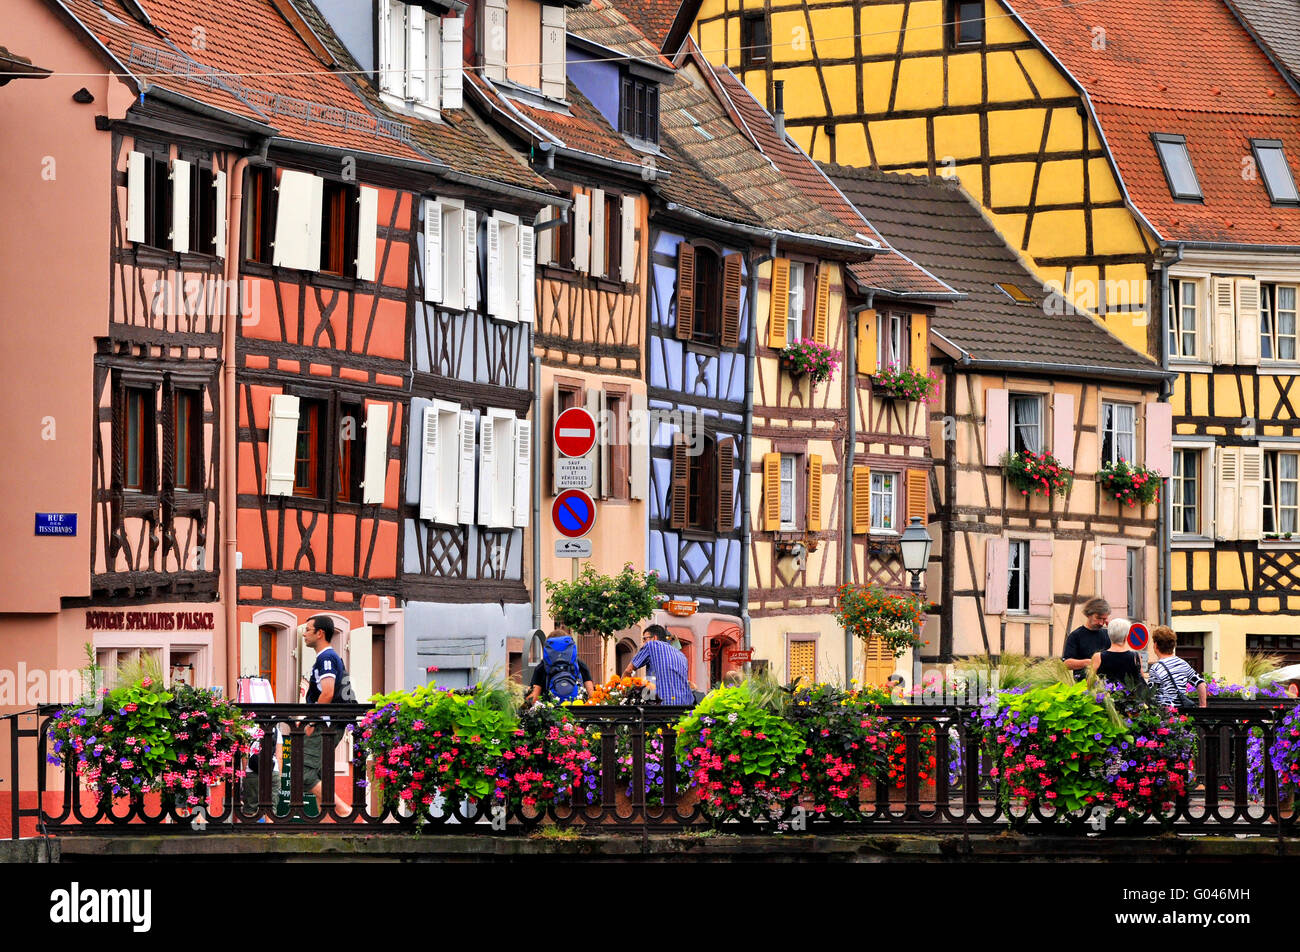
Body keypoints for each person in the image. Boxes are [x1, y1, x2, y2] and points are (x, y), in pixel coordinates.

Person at [301, 615, 348, 805]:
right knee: (318, 773)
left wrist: (312, 720)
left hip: (325, 724)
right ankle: (328, 822)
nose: (304, 634)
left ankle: (344, 811)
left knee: (302, 772)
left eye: (307, 630)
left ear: (320, 633)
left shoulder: (326, 657)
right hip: (330, 723)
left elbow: (327, 692)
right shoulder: (329, 657)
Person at [624, 624, 693, 706]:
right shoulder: (681, 654)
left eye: (644, 639)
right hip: (684, 704)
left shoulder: (651, 645)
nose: (644, 643)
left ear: (654, 638)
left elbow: (629, 670)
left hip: (661, 706)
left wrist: (622, 691)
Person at [526, 632, 595, 703]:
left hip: (552, 711)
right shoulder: (579, 664)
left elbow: (533, 698)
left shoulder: (541, 667)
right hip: (576, 710)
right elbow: (591, 695)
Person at [1148, 625, 1207, 708]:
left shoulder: (1156, 668)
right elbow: (1200, 683)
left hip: (1165, 715)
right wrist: (1203, 706)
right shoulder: (1183, 664)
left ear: (1155, 645)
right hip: (1182, 714)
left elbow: (1151, 695)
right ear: (1173, 645)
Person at [1063, 597, 1111, 681]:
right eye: (1098, 618)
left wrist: (1112, 631)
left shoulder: (1108, 634)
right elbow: (1067, 663)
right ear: (1089, 614)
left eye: (1104, 619)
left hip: (1106, 685)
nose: (1101, 623)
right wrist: (1089, 662)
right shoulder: (1075, 636)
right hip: (1083, 685)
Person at [1090, 617, 1144, 686]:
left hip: (1105, 696)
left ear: (1109, 634)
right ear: (1126, 636)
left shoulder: (1098, 657)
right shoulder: (1136, 657)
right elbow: (1140, 681)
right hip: (1130, 696)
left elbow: (1090, 683)